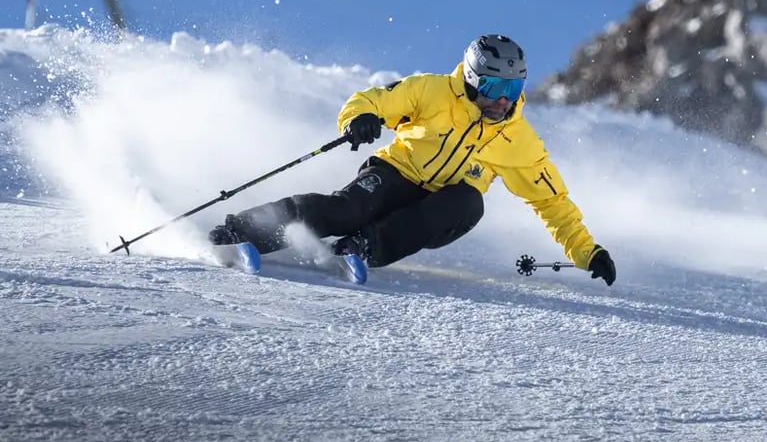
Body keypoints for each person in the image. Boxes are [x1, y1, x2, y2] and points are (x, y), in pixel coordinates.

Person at [209, 34, 616, 285]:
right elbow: (372, 100)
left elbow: (552, 202)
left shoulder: (518, 139)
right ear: (473, 78)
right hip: (395, 173)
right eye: (494, 85)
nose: (503, 98)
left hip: (440, 207)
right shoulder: (433, 91)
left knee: (469, 201)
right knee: (347, 209)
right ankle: (238, 232)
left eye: (513, 86)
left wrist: (587, 251)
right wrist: (362, 117)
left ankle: (363, 247)